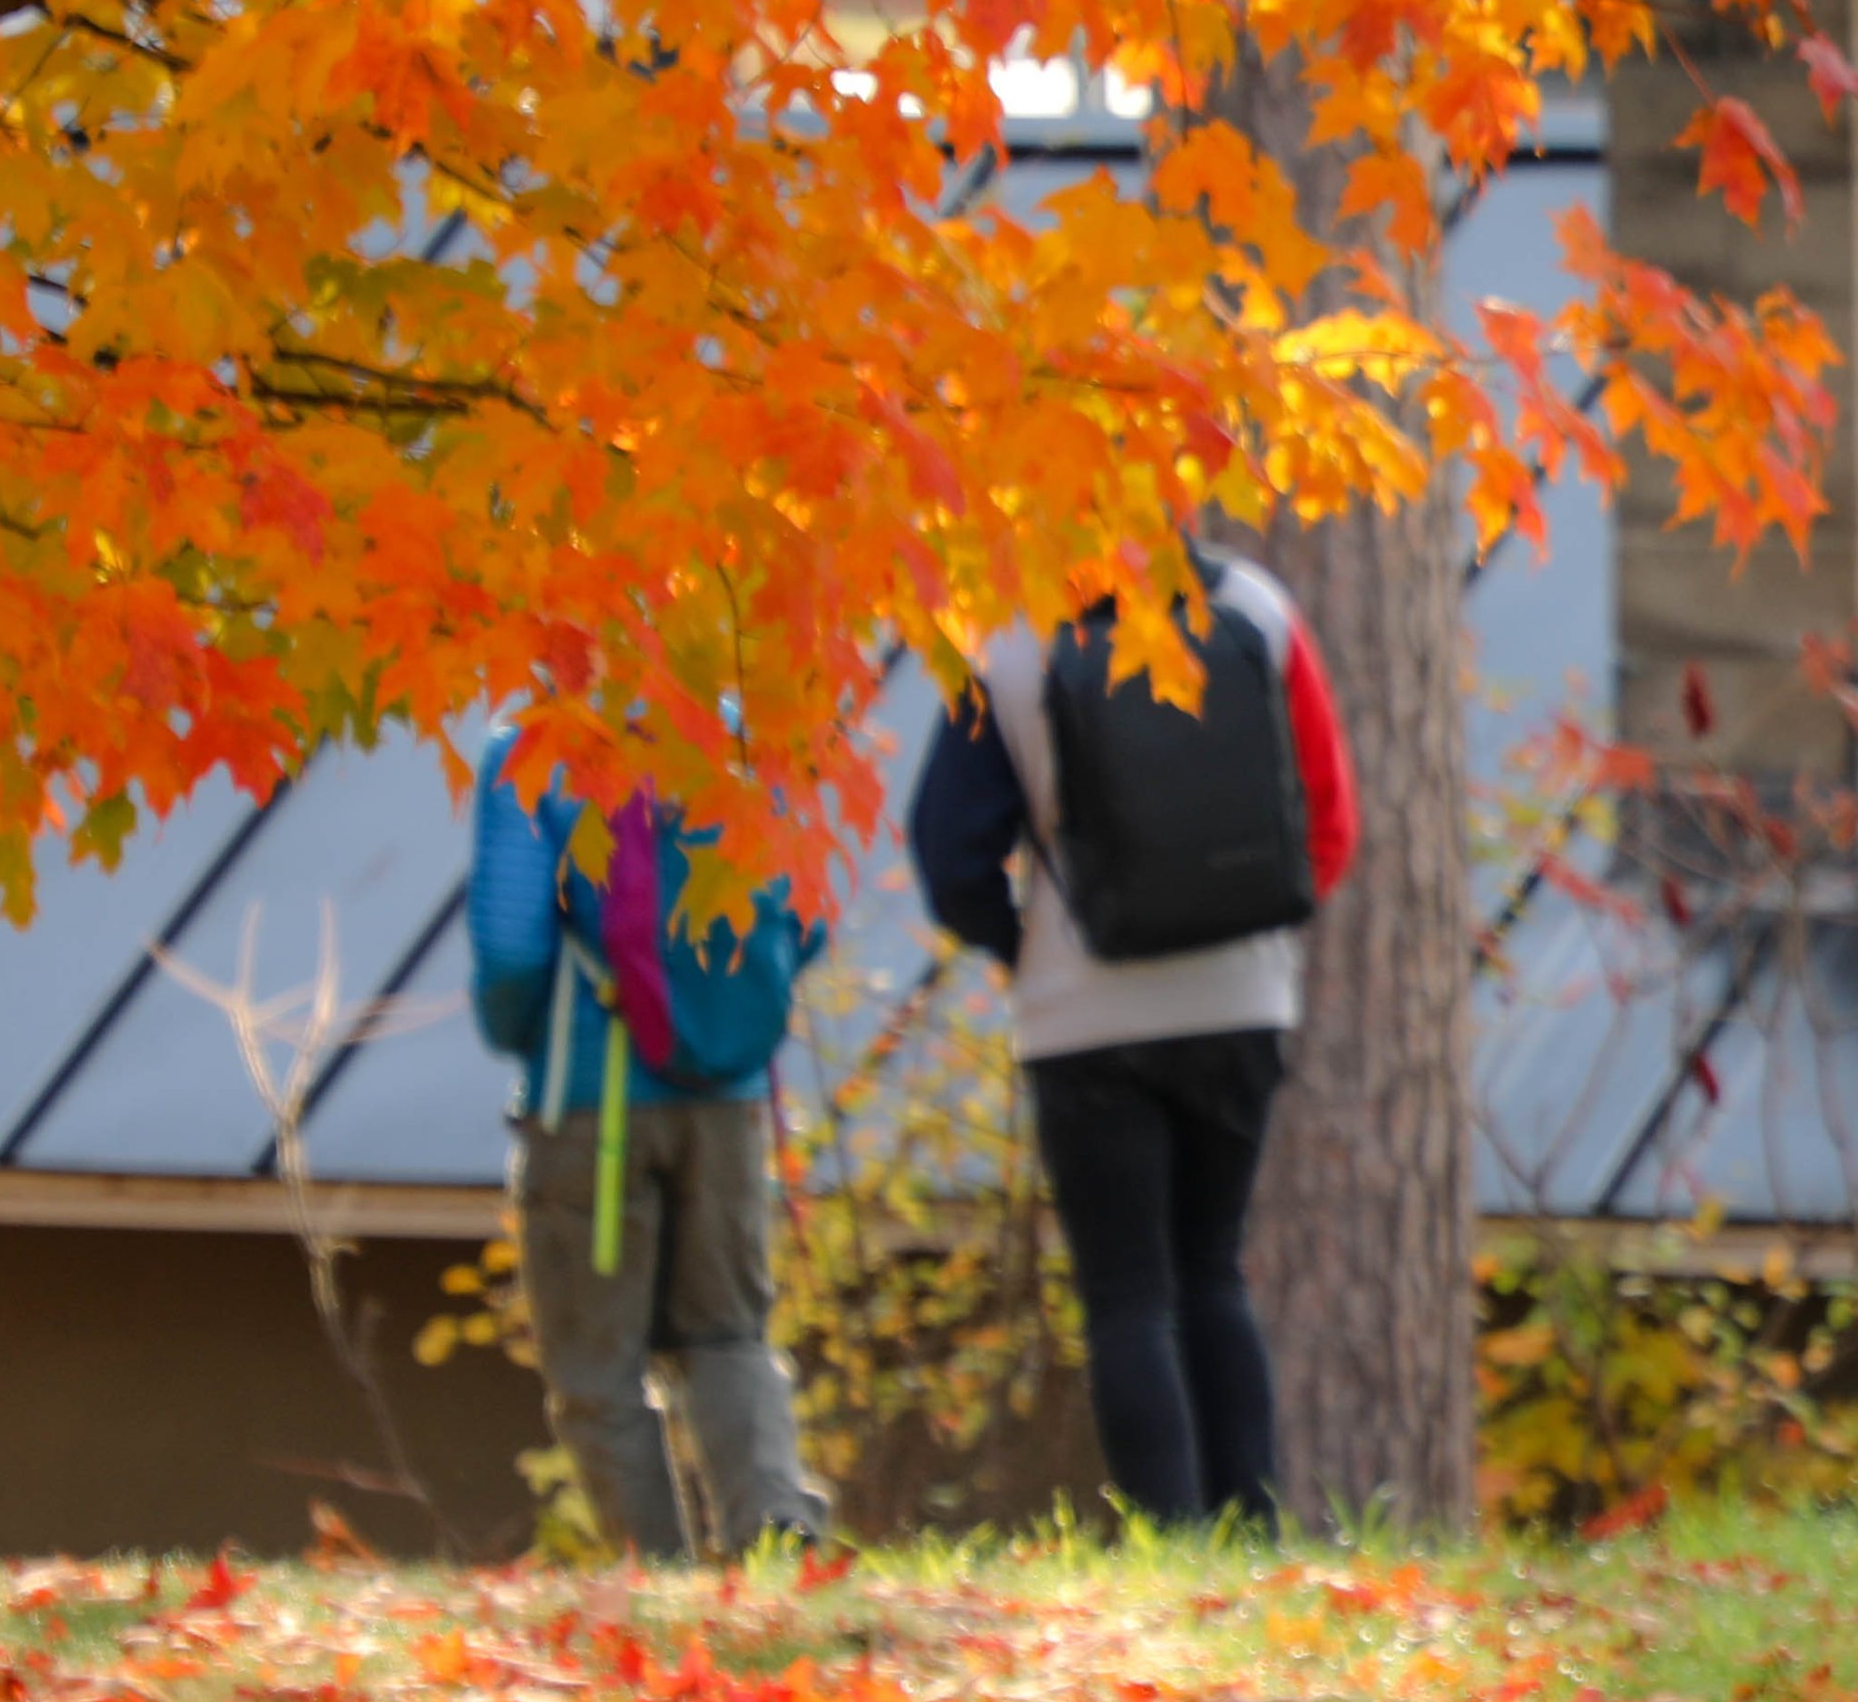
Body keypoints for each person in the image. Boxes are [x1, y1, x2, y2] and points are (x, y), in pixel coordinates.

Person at [907, 548, 1359, 1532]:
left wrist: (1023, 944)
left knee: (1127, 1294)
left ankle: (1172, 1539)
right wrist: (1244, 931)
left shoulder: (1010, 633)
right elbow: (1330, 821)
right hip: (1241, 1000)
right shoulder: (1258, 606)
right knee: (1213, 1267)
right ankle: (1253, 1534)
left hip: (1084, 1012)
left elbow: (949, 853)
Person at [464, 748, 835, 1558]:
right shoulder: (745, 730)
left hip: (590, 1101)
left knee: (598, 1368)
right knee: (730, 1333)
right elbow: (805, 916)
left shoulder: (536, 749)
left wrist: (526, 1033)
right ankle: (773, 1534)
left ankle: (657, 1576)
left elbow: (511, 949)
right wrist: (720, 1021)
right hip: (729, 1103)